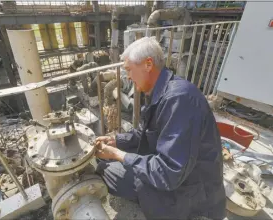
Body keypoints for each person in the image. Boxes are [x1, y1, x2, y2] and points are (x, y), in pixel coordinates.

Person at [95, 37, 226, 220]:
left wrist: (119, 154)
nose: (128, 77)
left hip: (189, 194)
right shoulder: (162, 91)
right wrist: (116, 141)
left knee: (105, 169)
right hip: (181, 179)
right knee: (110, 163)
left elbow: (169, 172)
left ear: (148, 64)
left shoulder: (179, 100)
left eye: (129, 70)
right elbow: (144, 132)